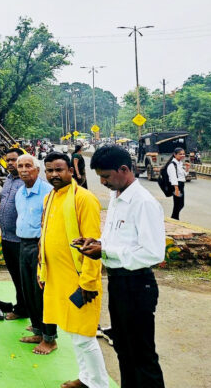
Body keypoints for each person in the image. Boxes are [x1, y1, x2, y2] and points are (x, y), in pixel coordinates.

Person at [76, 144, 166, 386]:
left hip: (137, 285)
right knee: (124, 350)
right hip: (118, 282)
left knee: (142, 355)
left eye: (106, 176)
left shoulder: (143, 202)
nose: (103, 183)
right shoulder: (117, 197)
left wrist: (105, 250)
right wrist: (96, 243)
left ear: (124, 169)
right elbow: (117, 240)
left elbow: (152, 253)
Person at [39, 153, 107, 388]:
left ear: (71, 170)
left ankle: (98, 384)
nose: (54, 175)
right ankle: (85, 378)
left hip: (79, 281)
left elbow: (93, 243)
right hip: (57, 278)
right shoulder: (50, 197)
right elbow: (45, 236)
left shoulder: (84, 199)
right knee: (75, 337)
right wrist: (42, 271)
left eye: (59, 169)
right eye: (49, 170)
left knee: (85, 338)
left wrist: (88, 282)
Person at [14, 154, 57, 354]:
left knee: (42, 292)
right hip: (23, 244)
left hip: (41, 247)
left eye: (28, 166)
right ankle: (38, 329)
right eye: (20, 166)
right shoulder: (20, 192)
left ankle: (50, 338)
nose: (23, 169)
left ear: (37, 170)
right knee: (28, 291)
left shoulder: (49, 193)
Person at [0, 147, 27, 320]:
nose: (10, 163)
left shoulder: (25, 182)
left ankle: (23, 309)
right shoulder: (8, 179)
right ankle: (21, 305)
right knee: (15, 275)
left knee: (23, 277)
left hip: (20, 239)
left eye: (13, 160)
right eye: (7, 160)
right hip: (6, 236)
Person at [166, 147, 187, 220]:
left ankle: (174, 218)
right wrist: (176, 189)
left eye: (183, 154)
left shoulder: (179, 163)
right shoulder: (172, 164)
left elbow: (184, 174)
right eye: (180, 154)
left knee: (180, 204)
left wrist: (187, 168)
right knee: (178, 204)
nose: (182, 155)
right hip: (177, 186)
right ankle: (174, 218)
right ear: (175, 154)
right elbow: (173, 178)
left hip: (181, 185)